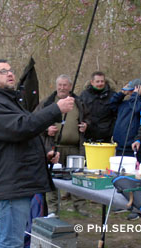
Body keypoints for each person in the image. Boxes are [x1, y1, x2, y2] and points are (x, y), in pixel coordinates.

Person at [0, 59, 74, 248]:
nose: (10, 73)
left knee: (9, 238)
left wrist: (43, 154)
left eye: (10, 70)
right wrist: (56, 109)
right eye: (3, 72)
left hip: (19, 182)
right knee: (10, 240)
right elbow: (22, 127)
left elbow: (23, 136)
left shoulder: (10, 102)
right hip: (11, 184)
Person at [36, 74, 89, 217]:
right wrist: (46, 130)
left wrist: (86, 125)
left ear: (70, 87)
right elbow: (33, 121)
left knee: (78, 177)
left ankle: (80, 206)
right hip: (54, 147)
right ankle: (53, 208)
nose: (62, 88)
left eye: (65, 85)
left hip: (75, 148)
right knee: (52, 179)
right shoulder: (47, 103)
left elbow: (89, 118)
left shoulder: (78, 103)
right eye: (60, 85)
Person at [109, 78, 141, 160]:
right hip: (120, 146)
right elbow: (111, 105)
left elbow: (137, 108)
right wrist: (122, 94)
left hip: (134, 146)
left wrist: (135, 95)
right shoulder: (125, 103)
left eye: (131, 91)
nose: (130, 93)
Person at [80, 71, 116, 142]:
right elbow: (80, 113)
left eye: (102, 81)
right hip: (87, 136)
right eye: (97, 81)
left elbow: (116, 115)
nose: (100, 83)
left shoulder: (113, 96)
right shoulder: (84, 95)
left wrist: (111, 131)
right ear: (92, 82)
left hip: (106, 137)